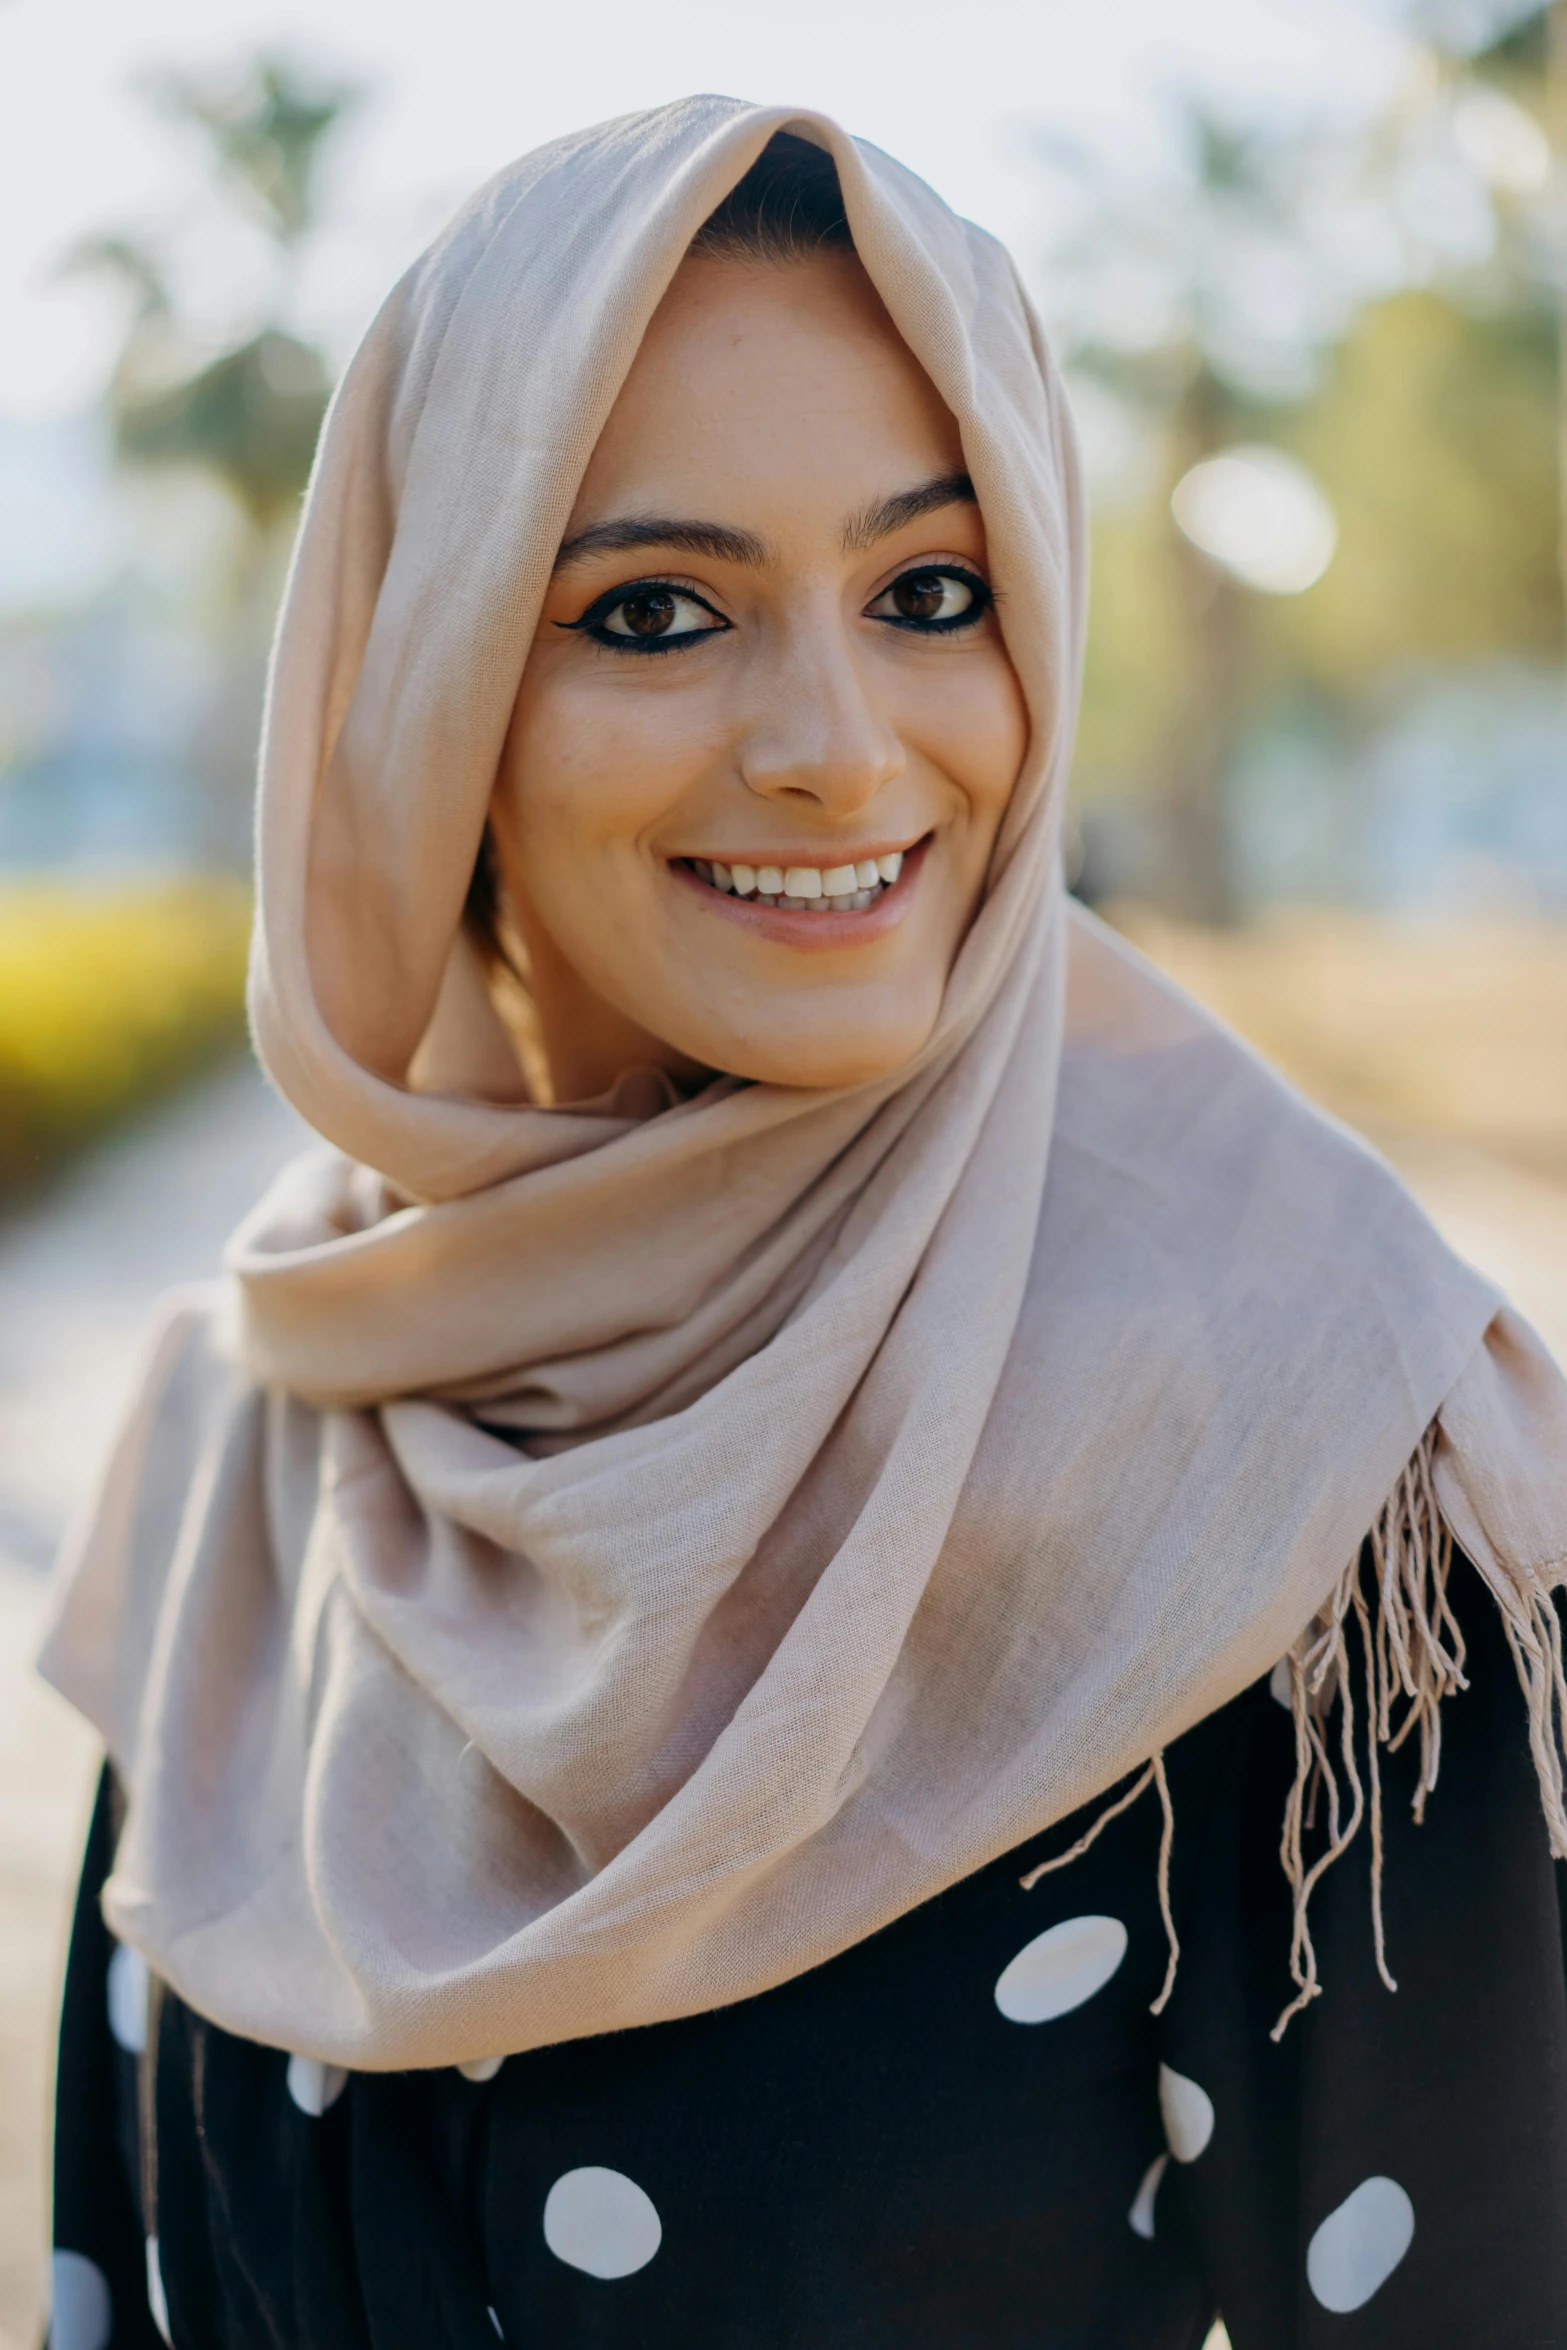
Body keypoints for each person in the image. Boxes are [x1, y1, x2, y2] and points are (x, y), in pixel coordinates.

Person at [37, 99, 1567, 2350]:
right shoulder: (259, 1428)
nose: (841, 750)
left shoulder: (1307, 1461)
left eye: (931, 594)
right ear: (425, 694)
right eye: (657, 612)